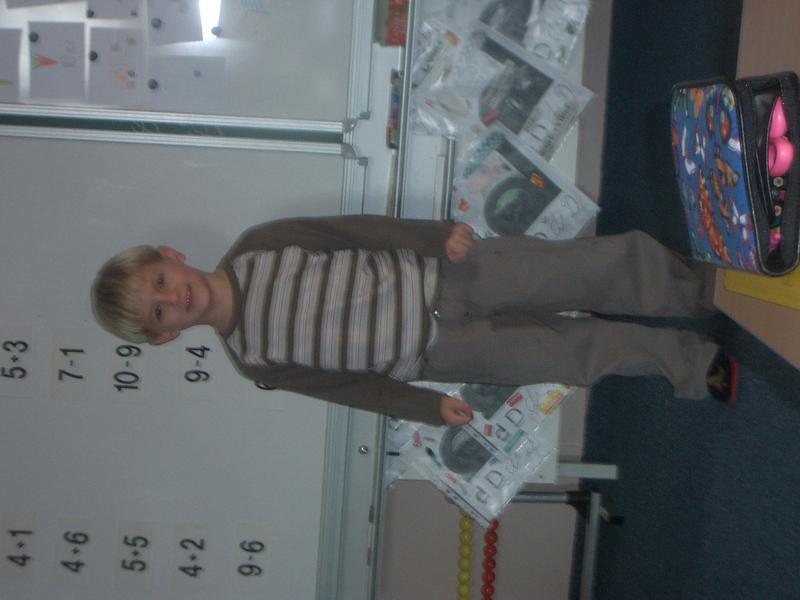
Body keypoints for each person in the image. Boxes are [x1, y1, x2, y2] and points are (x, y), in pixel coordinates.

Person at [91, 215, 738, 427]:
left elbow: (355, 232)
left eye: (161, 282)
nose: (174, 298)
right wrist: (427, 408)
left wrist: (433, 237)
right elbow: (353, 390)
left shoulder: (258, 246)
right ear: (165, 336)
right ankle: (692, 365)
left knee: (579, 270)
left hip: (450, 274)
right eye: (159, 312)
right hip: (442, 354)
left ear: (171, 256)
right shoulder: (254, 360)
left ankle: (698, 290)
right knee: (572, 355)